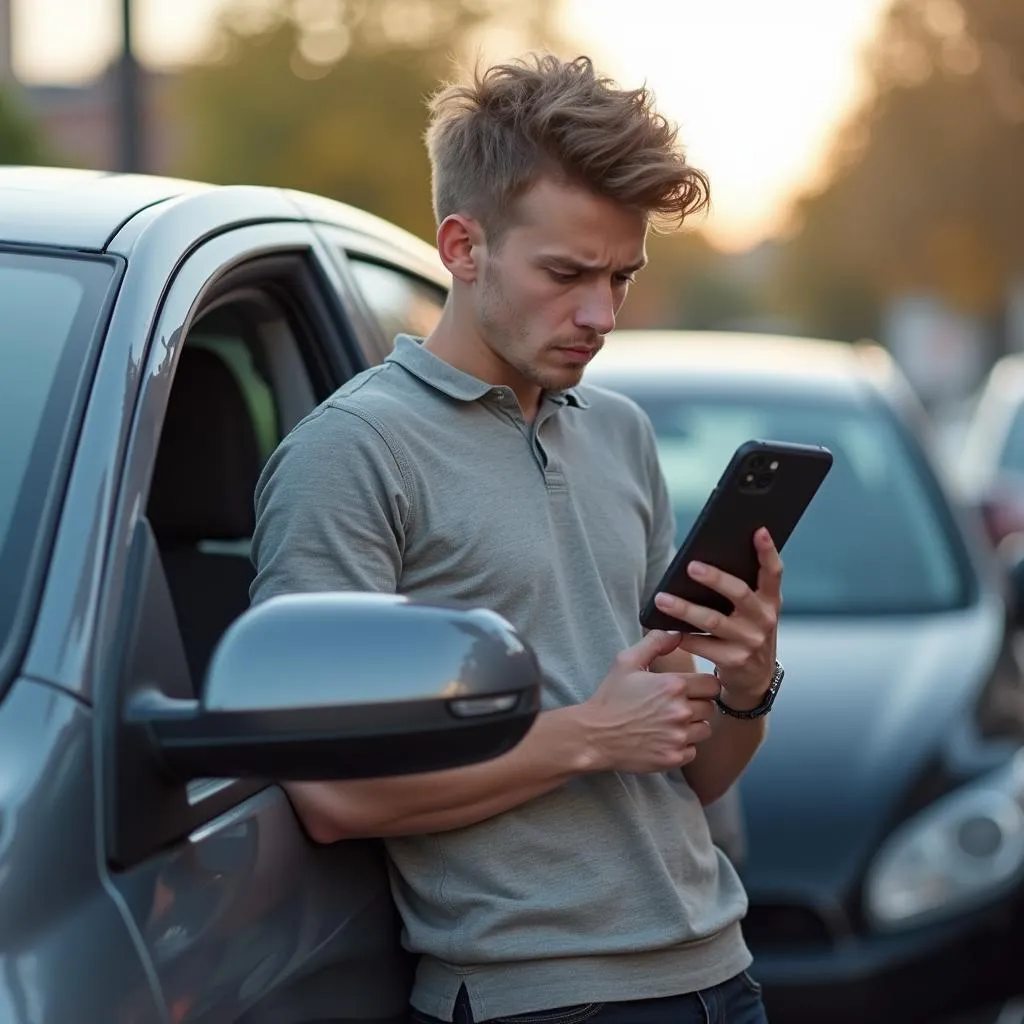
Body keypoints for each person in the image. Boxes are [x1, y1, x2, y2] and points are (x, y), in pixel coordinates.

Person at [250, 53, 784, 1024]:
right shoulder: (352, 455)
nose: (600, 315)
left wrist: (746, 686)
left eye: (621, 276)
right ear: (462, 246)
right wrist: (590, 733)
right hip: (530, 997)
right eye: (567, 274)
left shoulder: (618, 431)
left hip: (719, 973)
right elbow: (330, 796)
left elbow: (692, 774)